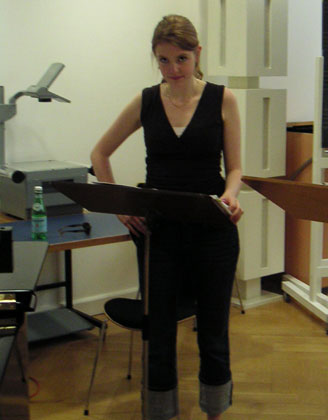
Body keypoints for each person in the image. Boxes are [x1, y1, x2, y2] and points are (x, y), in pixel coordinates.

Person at [90, 15, 243, 420]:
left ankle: (214, 411)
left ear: (197, 54)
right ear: (155, 58)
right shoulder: (145, 101)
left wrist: (230, 195)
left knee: (213, 331)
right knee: (158, 333)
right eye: (163, 60)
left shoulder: (223, 99)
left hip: (213, 231)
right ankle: (160, 413)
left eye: (182, 59)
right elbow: (99, 154)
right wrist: (121, 206)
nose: (173, 69)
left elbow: (235, 169)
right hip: (160, 235)